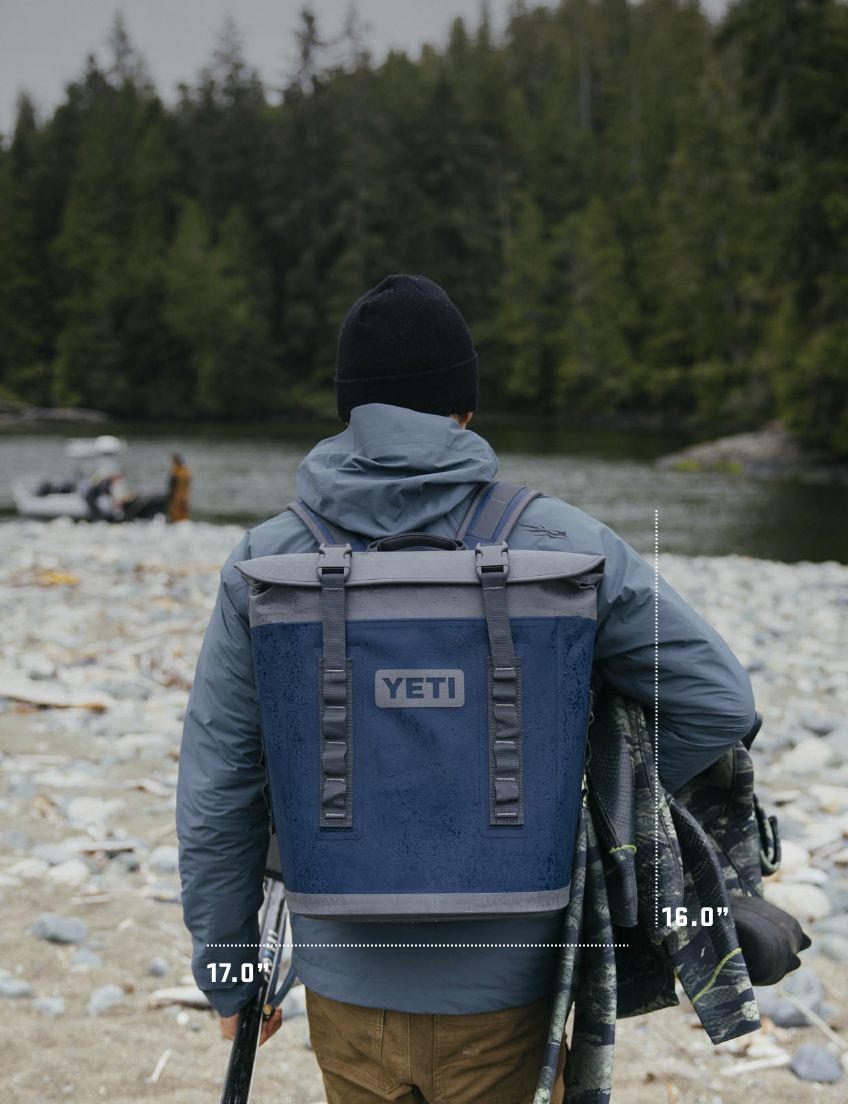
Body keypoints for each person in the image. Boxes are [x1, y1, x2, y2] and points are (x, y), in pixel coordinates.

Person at [177, 274, 757, 1104]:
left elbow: (220, 784)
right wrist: (578, 803)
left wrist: (230, 972)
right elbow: (718, 701)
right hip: (515, 984)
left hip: (347, 982)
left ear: (350, 410)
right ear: (466, 410)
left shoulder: (266, 562)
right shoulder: (565, 543)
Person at [167, 453, 191, 522]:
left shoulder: (175, 473)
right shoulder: (187, 472)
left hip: (176, 500)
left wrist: (169, 499)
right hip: (185, 498)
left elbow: (172, 487)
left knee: (175, 519)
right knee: (184, 519)